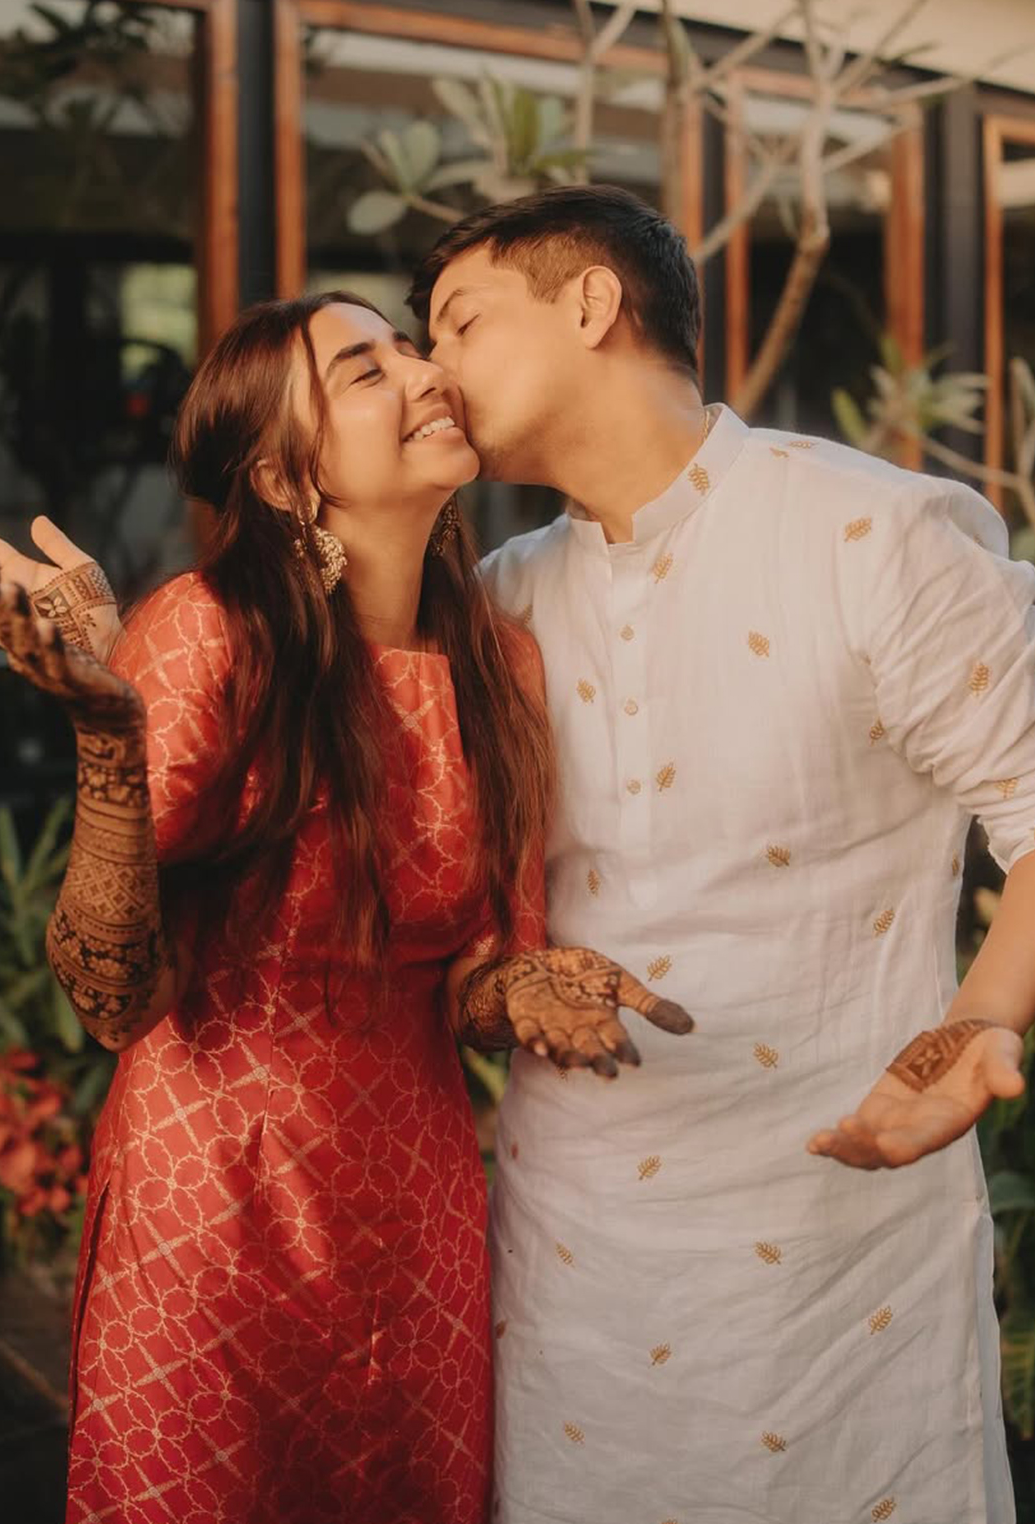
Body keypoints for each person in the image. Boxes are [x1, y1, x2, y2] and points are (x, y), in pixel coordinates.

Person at [0, 289, 690, 1524]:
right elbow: (111, 999)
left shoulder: (503, 664)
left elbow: (473, 980)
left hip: (419, 1216)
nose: (422, 373)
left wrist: (530, 987)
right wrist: (107, 737)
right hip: (216, 1204)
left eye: (410, 348)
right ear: (287, 476)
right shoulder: (209, 631)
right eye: (365, 371)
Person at [405, 184, 1032, 1524]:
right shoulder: (502, 599)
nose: (432, 367)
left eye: (459, 322)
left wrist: (981, 1016)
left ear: (591, 303)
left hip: (839, 1238)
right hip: (574, 1248)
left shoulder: (872, 535)